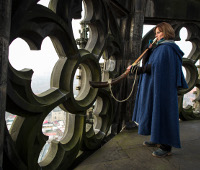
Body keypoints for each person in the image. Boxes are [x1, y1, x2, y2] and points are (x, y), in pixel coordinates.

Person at [127, 22, 188, 157]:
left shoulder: (168, 48)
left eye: (159, 32)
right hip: (156, 86)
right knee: (154, 110)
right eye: (156, 33)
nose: (157, 36)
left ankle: (166, 147)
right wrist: (149, 50)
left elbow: (155, 67)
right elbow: (149, 63)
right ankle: (156, 139)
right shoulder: (160, 47)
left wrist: (137, 70)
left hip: (163, 89)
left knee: (163, 112)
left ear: (166, 32)